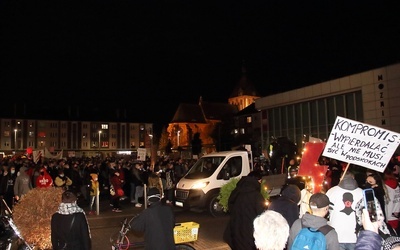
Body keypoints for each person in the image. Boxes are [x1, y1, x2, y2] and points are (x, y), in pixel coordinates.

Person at [223, 171, 266, 250]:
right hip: (249, 233)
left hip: (235, 230)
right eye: (260, 181)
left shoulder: (236, 191)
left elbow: (230, 207)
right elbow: (261, 215)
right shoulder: (257, 196)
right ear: (256, 181)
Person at [326, 170, 363, 250]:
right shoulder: (362, 193)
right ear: (353, 178)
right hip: (356, 236)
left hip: (336, 234)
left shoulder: (332, 191)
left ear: (341, 178)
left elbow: (326, 211)